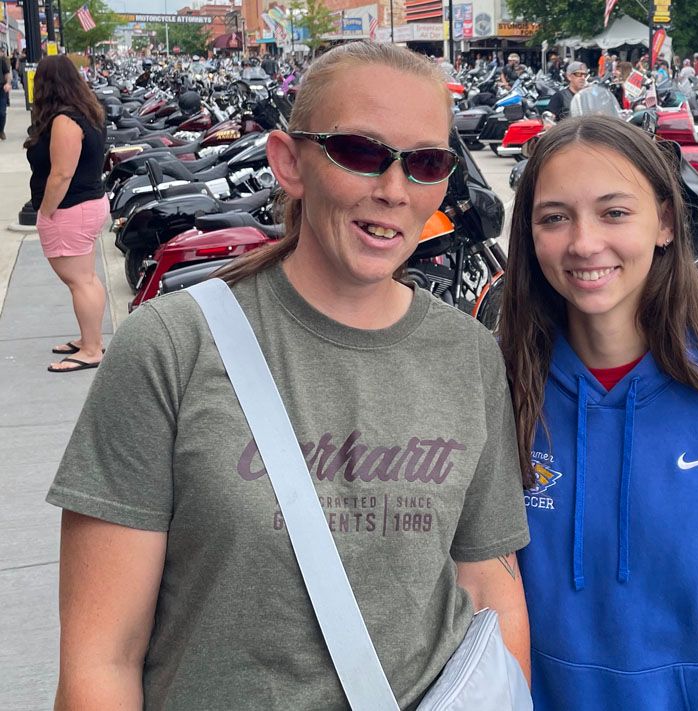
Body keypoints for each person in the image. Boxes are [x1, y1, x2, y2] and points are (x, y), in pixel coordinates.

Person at [47, 43, 531, 708]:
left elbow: (488, 581)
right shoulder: (170, 347)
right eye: (361, 152)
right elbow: (102, 658)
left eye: (425, 163)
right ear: (288, 162)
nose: (394, 190)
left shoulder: (469, 353)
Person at [498, 114, 698, 711]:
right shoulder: (502, 385)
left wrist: (689, 671)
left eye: (614, 212)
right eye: (554, 218)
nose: (583, 242)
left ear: (666, 223)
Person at [23, 56, 109, 372]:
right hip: (87, 205)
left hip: (71, 209)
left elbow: (61, 174)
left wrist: (46, 212)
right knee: (86, 278)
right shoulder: (88, 112)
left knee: (79, 282)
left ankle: (91, 350)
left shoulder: (65, 121)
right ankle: (91, 339)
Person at [0, 50, 9, 140]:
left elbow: (7, 74)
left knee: (2, 113)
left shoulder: (1, 61)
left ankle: (1, 130)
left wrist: (8, 83)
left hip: (1, 89)